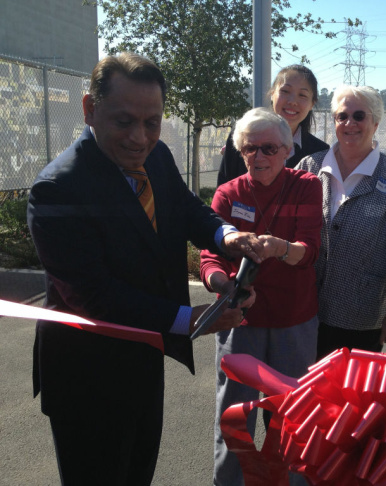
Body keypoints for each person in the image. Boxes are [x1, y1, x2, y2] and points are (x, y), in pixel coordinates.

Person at [26, 52, 265, 485]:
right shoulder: (57, 188)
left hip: (144, 363)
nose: (140, 137)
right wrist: (189, 320)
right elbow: (92, 294)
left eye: (152, 122)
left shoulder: (156, 156)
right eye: (124, 121)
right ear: (89, 110)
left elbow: (188, 209)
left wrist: (228, 237)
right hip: (87, 379)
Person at [201, 107, 323, 486]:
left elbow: (310, 251)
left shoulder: (306, 184)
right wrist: (222, 284)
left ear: (287, 150)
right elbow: (210, 256)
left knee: (295, 416)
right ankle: (228, 482)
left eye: (269, 148)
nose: (259, 156)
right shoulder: (228, 193)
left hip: (293, 320)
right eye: (250, 148)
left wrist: (279, 248)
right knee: (234, 415)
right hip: (241, 320)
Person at [297, 85, 386, 359]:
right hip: (304, 309)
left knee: (349, 397)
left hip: (362, 314)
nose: (350, 123)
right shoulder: (309, 167)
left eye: (359, 116)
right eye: (342, 116)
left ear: (375, 122)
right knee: (305, 394)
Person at [216, 65, 329, 186]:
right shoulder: (243, 137)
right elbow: (223, 190)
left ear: (312, 103)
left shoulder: (320, 152)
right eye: (285, 91)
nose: (292, 101)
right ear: (272, 93)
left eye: (302, 95)